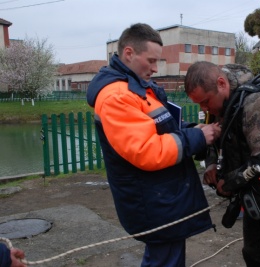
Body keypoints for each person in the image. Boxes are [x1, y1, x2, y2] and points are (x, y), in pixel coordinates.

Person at [86, 24, 220, 266]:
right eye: (151, 60)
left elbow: (165, 127)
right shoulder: (117, 97)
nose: (155, 68)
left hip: (161, 197)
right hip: (152, 200)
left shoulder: (137, 88)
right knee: (165, 259)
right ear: (129, 53)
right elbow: (147, 151)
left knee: (166, 255)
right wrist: (198, 138)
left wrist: (191, 130)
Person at [184, 61, 260, 267]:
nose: (204, 108)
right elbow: (216, 136)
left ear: (221, 83)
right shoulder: (224, 103)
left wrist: (228, 184)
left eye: (205, 102)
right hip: (255, 195)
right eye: (199, 104)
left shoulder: (255, 103)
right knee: (252, 256)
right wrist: (212, 165)